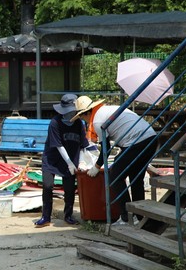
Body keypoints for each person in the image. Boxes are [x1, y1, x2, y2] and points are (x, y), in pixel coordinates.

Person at [73, 96, 158, 225]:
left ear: (86, 113)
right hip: (150, 138)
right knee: (136, 179)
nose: (83, 120)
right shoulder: (107, 110)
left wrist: (96, 166)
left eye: (81, 117)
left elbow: (105, 148)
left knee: (115, 177)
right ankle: (138, 216)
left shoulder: (97, 121)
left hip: (136, 142)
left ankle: (126, 217)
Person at [35, 94, 89, 228]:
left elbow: (83, 145)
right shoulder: (55, 123)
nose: (70, 114)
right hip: (52, 159)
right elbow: (58, 145)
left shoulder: (79, 124)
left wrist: (81, 162)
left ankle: (68, 215)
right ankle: (45, 216)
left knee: (69, 189)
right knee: (47, 186)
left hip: (71, 159)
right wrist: (69, 162)